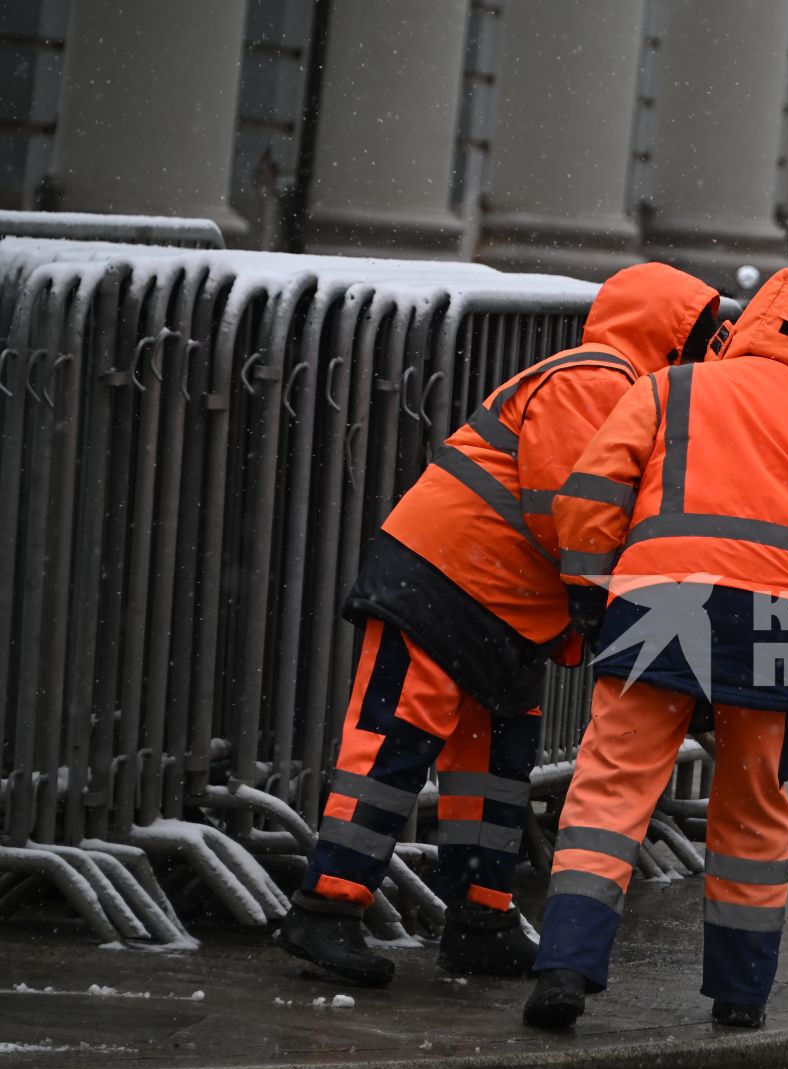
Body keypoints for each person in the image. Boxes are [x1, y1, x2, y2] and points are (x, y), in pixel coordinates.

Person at [278, 263, 725, 988]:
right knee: (390, 746)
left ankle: (481, 920)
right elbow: (569, 506)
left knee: (493, 767)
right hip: (442, 581)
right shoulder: (597, 381)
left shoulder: (634, 398)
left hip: (501, 602)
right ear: (676, 339)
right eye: (702, 340)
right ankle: (326, 908)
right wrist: (605, 596)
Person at [522, 267, 788, 1032]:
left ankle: (567, 967)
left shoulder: (671, 390)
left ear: (748, 324)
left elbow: (591, 495)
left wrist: (590, 583)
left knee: (613, 788)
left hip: (661, 599)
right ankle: (742, 993)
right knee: (753, 807)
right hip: (780, 621)